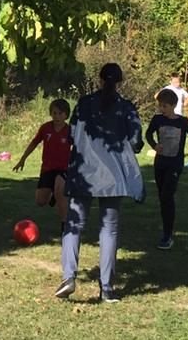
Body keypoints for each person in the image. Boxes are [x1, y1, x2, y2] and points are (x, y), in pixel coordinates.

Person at [56, 63, 144, 303]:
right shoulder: (126, 108)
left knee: (74, 225)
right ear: (120, 81)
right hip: (113, 176)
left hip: (83, 172)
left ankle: (68, 277)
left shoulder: (83, 104)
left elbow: (72, 135)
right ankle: (106, 288)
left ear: (99, 79)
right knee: (109, 229)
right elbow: (136, 141)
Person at [144, 88, 188, 250]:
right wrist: (154, 145)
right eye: (160, 106)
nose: (161, 109)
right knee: (162, 197)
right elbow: (148, 134)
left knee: (167, 196)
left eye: (165, 106)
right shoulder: (157, 119)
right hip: (160, 163)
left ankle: (167, 235)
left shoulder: (182, 122)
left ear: (173, 106)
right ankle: (166, 226)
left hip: (175, 163)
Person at [11, 98, 72, 226]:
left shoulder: (70, 130)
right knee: (40, 201)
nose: (57, 116)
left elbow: (79, 148)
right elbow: (34, 143)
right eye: (54, 113)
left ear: (66, 115)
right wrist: (22, 159)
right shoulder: (45, 128)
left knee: (60, 192)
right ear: (51, 113)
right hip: (47, 168)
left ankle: (65, 226)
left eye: (60, 113)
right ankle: (53, 195)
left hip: (63, 169)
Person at [167, 75, 188, 167]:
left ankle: (176, 153)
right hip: (169, 114)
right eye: (174, 82)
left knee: (178, 135)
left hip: (178, 114)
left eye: (178, 82)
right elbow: (157, 96)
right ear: (170, 82)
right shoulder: (167, 89)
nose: (176, 84)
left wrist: (184, 103)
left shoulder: (181, 90)